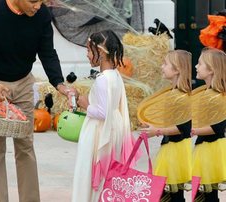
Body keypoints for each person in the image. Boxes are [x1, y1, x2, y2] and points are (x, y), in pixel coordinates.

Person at [0, 0, 75, 201]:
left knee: (25, 147)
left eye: (41, 1)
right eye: (33, 1)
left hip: (23, 82)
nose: (37, 5)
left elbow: (48, 52)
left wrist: (59, 83)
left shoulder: (41, 15)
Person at [72, 30, 136, 202]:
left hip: (99, 132)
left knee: (89, 172)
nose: (86, 54)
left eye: (88, 50)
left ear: (99, 52)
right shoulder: (115, 75)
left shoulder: (102, 79)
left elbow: (101, 112)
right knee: (107, 175)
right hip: (113, 127)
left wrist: (85, 104)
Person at [137, 50, 192, 201]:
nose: (162, 67)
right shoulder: (174, 93)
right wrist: (151, 124)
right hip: (171, 148)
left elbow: (184, 128)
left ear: (177, 69)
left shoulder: (181, 96)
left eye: (165, 64)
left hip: (176, 151)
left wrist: (157, 131)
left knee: (171, 195)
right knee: (169, 195)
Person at [192, 48, 226, 202]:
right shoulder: (207, 93)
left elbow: (217, 128)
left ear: (212, 69)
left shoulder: (216, 96)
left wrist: (192, 130)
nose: (196, 66)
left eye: (200, 64)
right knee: (205, 195)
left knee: (207, 195)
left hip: (210, 151)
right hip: (205, 147)